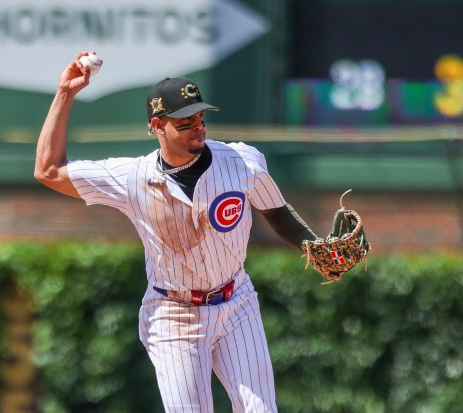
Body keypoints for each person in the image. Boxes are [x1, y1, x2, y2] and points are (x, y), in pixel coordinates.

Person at [35, 51, 319, 413]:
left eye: (200, 118)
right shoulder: (131, 178)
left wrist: (315, 245)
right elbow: (48, 171)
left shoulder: (242, 162)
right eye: (184, 123)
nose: (197, 127)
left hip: (237, 303)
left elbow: (277, 213)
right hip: (174, 314)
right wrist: (65, 93)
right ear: (156, 126)